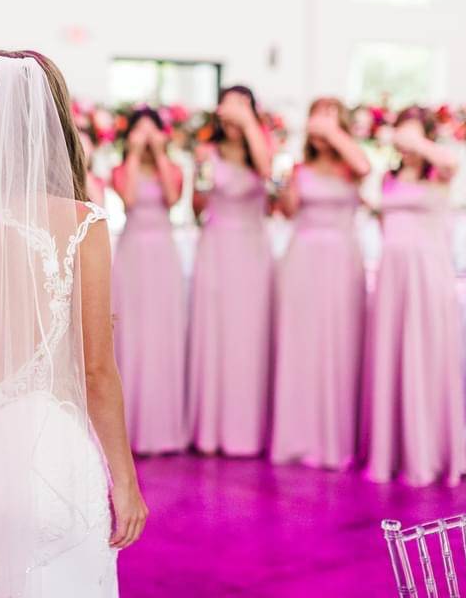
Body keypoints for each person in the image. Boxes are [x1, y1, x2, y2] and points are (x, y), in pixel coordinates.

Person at [0, 51, 147, 597]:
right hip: (47, 467)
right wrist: (125, 482)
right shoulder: (82, 223)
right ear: (56, 122)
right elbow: (97, 370)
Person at [363, 106, 466, 486]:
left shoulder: (439, 171)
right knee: (391, 354)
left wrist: (418, 141)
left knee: (424, 353)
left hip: (426, 273)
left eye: (412, 135)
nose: (404, 144)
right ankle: (389, 451)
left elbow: (452, 161)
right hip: (393, 275)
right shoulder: (389, 176)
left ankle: (426, 452)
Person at [271, 97, 371, 470]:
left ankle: (334, 441)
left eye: (330, 119)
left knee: (338, 346)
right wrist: (282, 182)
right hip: (303, 259)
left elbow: (363, 165)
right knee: (302, 346)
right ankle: (296, 438)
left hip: (342, 261)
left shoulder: (351, 165)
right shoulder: (300, 168)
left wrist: (332, 131)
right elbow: (288, 209)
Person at [187, 86, 274, 456]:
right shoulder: (207, 153)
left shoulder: (265, 153)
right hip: (217, 246)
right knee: (216, 332)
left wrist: (250, 125)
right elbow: (197, 204)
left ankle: (248, 432)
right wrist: (202, 176)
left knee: (248, 335)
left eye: (243, 105)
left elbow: (270, 174)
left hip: (252, 250)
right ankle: (209, 430)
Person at [110, 108, 188, 455]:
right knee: (132, 333)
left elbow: (172, 197)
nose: (145, 134)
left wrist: (157, 153)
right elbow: (126, 198)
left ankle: (165, 428)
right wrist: (137, 153)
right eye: (138, 130)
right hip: (132, 252)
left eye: (151, 129)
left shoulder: (172, 170)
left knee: (162, 333)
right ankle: (128, 429)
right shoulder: (120, 170)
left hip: (162, 253)